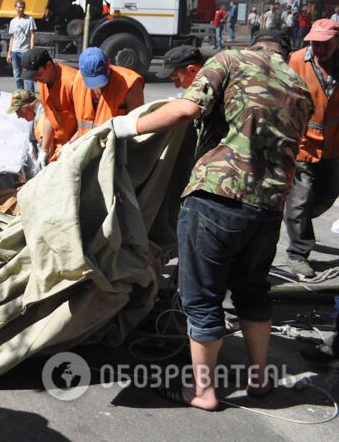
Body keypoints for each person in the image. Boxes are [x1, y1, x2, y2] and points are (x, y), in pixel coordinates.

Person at [109, 29, 312, 411]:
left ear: (254, 44)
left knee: (202, 299)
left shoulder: (230, 60)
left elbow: (186, 110)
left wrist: (123, 127)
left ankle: (203, 391)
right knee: (253, 293)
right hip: (268, 208)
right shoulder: (300, 86)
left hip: (216, 199)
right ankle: (259, 380)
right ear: (286, 53)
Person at [282, 19, 339, 278]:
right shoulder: (296, 61)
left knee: (327, 195)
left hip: (333, 146)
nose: (320, 49)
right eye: (316, 43)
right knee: (299, 201)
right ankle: (298, 253)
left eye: (326, 44)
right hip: (302, 144)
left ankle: (299, 220)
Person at [20, 47, 78, 163]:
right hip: (60, 145)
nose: (36, 79)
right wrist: (44, 150)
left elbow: (87, 123)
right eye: (33, 77)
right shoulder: (43, 82)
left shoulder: (72, 82)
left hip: (76, 144)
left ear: (49, 65)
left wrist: (71, 145)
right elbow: (49, 117)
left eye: (37, 74)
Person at [71, 47, 144, 137]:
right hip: (88, 142)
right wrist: (70, 143)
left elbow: (137, 125)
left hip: (116, 143)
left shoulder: (130, 83)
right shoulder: (78, 80)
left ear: (109, 64)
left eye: (99, 78)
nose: (97, 86)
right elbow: (83, 127)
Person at [7, 0, 37, 91]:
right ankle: (20, 93)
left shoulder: (29, 19)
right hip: (14, 51)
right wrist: (9, 53)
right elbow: (12, 38)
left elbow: (32, 35)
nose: (21, 9)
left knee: (27, 74)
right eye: (19, 7)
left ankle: (30, 94)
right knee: (17, 74)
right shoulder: (13, 21)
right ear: (15, 7)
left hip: (25, 51)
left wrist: (31, 51)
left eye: (23, 7)